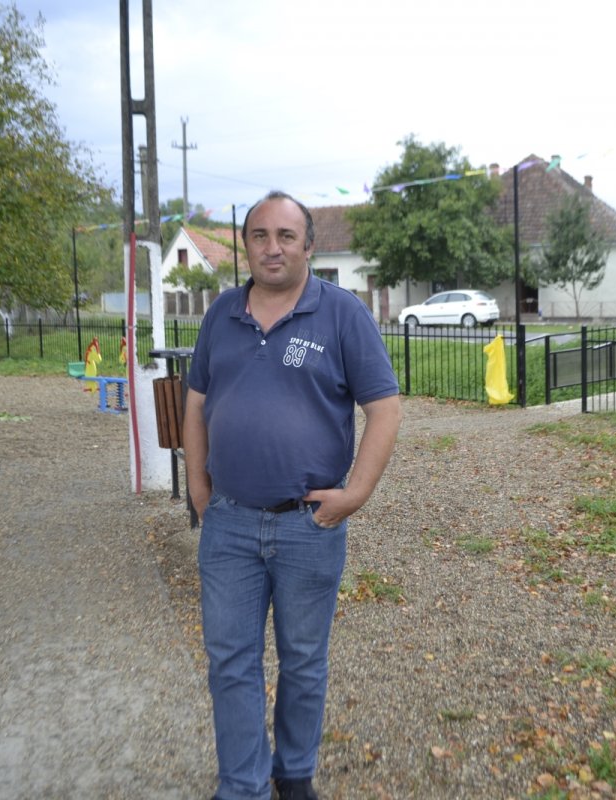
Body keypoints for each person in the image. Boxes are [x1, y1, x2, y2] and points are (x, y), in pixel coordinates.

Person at [182, 190, 402, 800]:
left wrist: (354, 494)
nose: (272, 248)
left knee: (303, 659)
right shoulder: (221, 314)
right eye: (260, 235)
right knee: (231, 661)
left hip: (308, 525)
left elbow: (385, 409)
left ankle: (294, 771)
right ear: (246, 246)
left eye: (285, 235)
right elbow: (196, 403)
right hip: (229, 523)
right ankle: (243, 784)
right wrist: (199, 487)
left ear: (308, 245)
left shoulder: (342, 314)